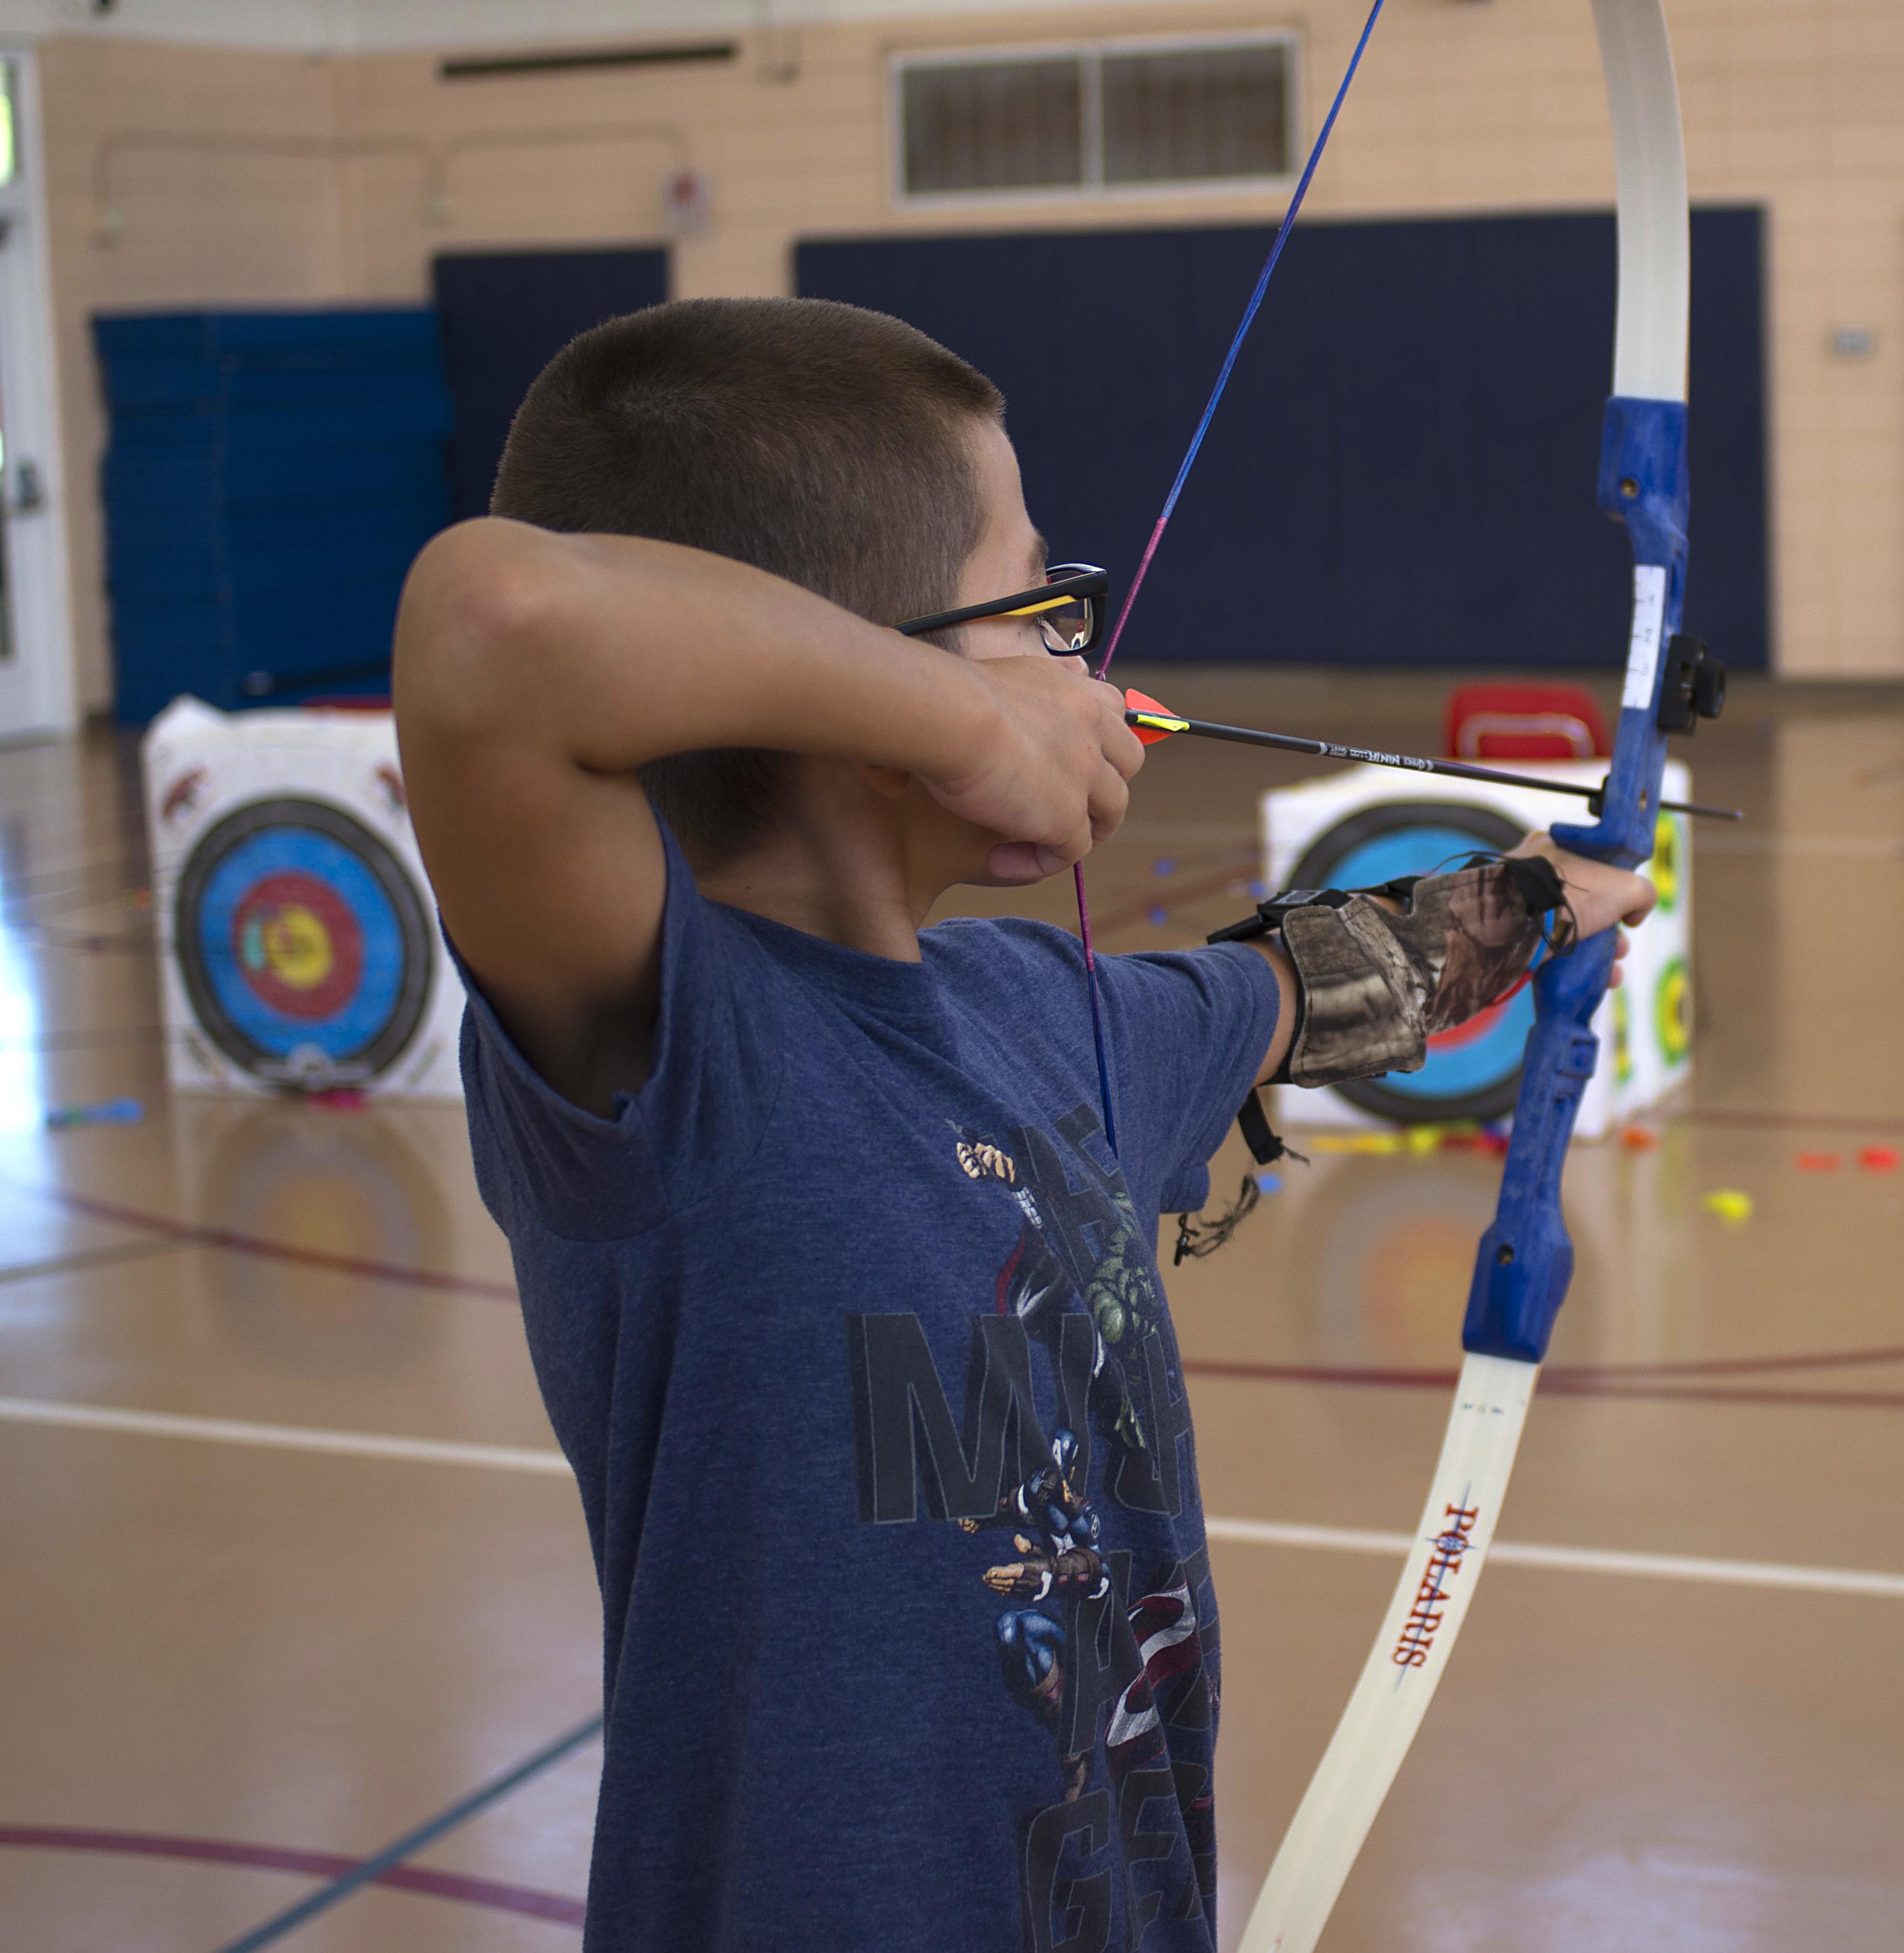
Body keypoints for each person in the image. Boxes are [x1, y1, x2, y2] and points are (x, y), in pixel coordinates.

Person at [389, 296, 1654, 1950]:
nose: (1090, 672)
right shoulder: (671, 1048)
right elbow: (492, 616)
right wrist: (965, 719)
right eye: (1044, 611)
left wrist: (1547, 898)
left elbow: (1314, 983)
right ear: (859, 665)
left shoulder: (1048, 1016)